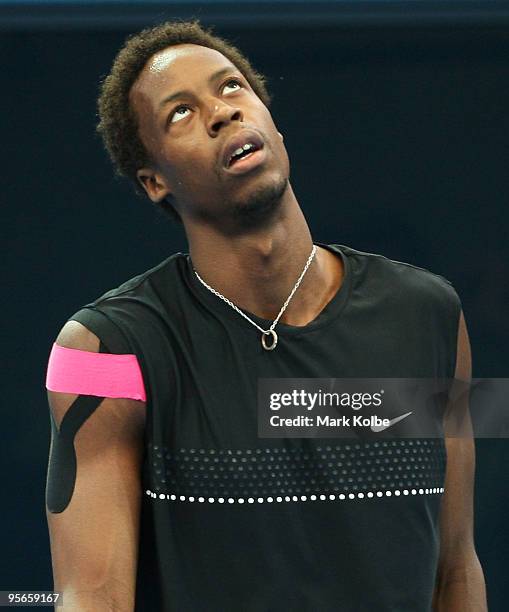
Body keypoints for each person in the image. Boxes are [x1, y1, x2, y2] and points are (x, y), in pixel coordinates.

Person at [45, 19, 487, 611]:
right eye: (180, 112)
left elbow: (456, 569)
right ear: (153, 181)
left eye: (231, 88)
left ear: (272, 123)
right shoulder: (102, 352)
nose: (222, 113)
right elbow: (91, 597)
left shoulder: (432, 314)